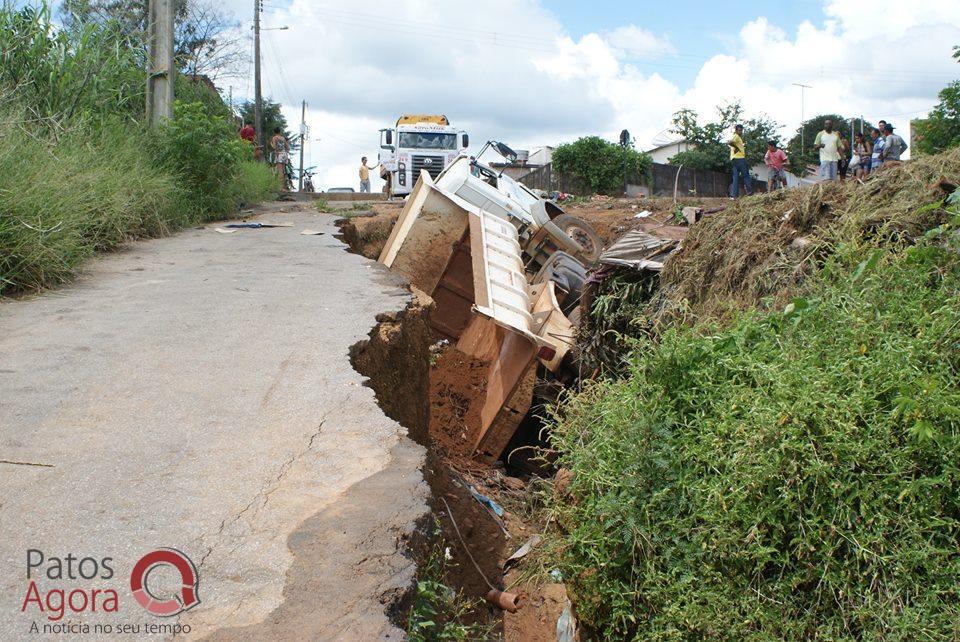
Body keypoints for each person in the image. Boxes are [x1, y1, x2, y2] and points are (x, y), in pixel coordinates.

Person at [727, 124, 752, 198]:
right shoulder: (736, 136)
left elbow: (731, 142)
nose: (740, 131)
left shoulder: (737, 137)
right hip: (740, 159)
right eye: (739, 130)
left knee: (735, 177)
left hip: (734, 159)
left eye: (741, 130)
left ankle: (734, 195)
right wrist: (736, 147)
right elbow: (729, 142)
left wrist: (736, 147)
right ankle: (750, 193)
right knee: (746, 176)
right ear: (736, 130)